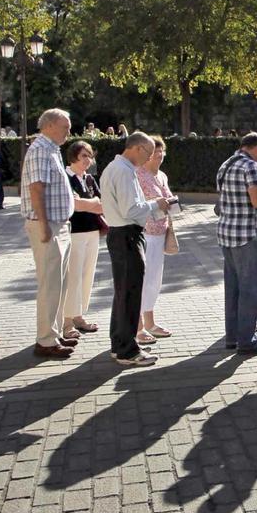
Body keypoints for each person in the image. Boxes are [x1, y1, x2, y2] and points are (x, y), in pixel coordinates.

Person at [102, 132, 170, 365]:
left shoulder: (117, 168)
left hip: (122, 234)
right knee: (130, 293)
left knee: (123, 292)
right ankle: (127, 350)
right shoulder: (123, 171)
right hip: (126, 234)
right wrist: (156, 204)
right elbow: (131, 210)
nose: (150, 158)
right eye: (149, 153)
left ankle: (119, 344)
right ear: (137, 149)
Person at [21, 109, 78, 359]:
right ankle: (45, 340)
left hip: (58, 224)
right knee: (50, 284)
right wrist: (43, 224)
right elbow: (36, 189)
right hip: (48, 225)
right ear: (50, 125)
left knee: (59, 284)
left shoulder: (51, 149)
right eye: (65, 126)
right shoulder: (40, 149)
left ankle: (53, 333)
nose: (69, 131)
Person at [216, 132, 257, 355]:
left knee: (232, 288)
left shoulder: (226, 164)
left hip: (227, 234)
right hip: (247, 235)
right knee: (250, 289)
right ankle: (248, 340)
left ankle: (232, 337)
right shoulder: (251, 166)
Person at [61, 141, 104, 340]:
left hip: (92, 231)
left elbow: (101, 204)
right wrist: (90, 204)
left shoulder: (89, 179)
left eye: (89, 156)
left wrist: (90, 204)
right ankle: (66, 322)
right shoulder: (66, 177)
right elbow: (74, 205)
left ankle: (79, 316)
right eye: (83, 156)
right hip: (74, 233)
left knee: (87, 275)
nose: (88, 160)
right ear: (73, 158)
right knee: (72, 277)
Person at [137, 135, 175, 344]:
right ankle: (139, 327)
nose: (159, 156)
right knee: (143, 279)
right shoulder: (138, 175)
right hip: (145, 232)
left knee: (154, 280)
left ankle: (150, 322)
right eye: (155, 152)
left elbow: (168, 199)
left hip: (161, 231)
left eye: (162, 152)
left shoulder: (161, 176)